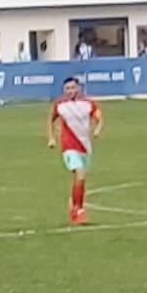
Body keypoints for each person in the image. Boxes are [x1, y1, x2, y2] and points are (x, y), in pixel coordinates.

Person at [47, 77, 103, 225]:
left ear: (78, 88)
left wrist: (97, 129)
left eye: (73, 87)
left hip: (85, 145)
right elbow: (51, 119)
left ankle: (76, 204)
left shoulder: (88, 103)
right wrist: (51, 137)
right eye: (67, 88)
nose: (70, 91)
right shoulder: (60, 105)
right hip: (69, 145)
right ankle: (77, 210)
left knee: (81, 178)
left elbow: (99, 117)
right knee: (80, 173)